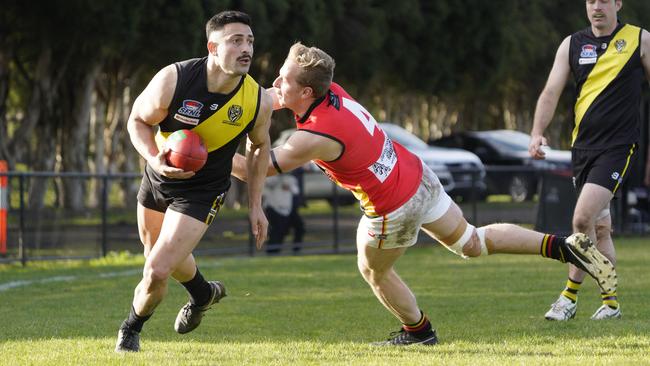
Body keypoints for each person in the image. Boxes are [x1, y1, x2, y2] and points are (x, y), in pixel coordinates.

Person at [231, 42, 617, 346]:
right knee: (473, 242)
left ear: (308, 91)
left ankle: (419, 331)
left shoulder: (313, 136)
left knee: (373, 271)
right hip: (417, 176)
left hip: (391, 208)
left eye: (283, 79)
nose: (276, 84)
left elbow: (256, 169)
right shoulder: (330, 91)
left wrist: (212, 154)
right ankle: (564, 247)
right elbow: (275, 96)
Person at [115, 10, 272, 352]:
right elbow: (137, 122)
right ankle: (204, 293)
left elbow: (259, 149)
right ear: (213, 48)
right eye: (235, 41)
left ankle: (130, 330)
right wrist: (154, 158)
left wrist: (256, 205)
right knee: (155, 256)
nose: (246, 48)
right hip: (158, 177)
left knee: (157, 269)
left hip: (203, 191)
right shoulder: (175, 78)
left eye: (249, 41)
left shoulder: (257, 99)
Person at [529, 0, 650, 321]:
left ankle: (567, 298)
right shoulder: (571, 44)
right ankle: (610, 304)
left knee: (581, 220)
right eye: (591, 1)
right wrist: (537, 132)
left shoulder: (640, 39)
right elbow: (550, 92)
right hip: (582, 149)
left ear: (618, 4)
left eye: (604, 1)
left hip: (618, 148)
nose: (597, 7)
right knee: (600, 229)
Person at [263, 172, 300, 254]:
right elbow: (269, 184)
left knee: (296, 227)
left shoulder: (290, 178)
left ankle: (296, 249)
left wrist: (288, 185)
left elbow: (296, 191)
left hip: (286, 209)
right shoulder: (271, 176)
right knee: (277, 230)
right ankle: (272, 251)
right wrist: (279, 178)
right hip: (273, 207)